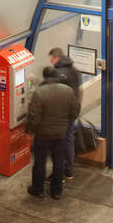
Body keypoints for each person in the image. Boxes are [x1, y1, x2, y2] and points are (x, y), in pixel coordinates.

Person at [25, 66, 79, 199]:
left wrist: (30, 131)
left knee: (40, 162)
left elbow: (34, 116)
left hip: (42, 135)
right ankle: (57, 191)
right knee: (59, 162)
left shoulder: (39, 93)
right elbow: (75, 109)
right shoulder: (68, 91)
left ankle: (38, 189)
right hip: (60, 134)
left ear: (45, 77)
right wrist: (66, 123)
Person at [49, 46, 81, 180]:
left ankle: (59, 174)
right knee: (68, 138)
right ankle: (68, 171)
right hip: (74, 108)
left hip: (63, 112)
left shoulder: (59, 72)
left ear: (56, 58)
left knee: (59, 142)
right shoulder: (74, 70)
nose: (51, 62)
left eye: (51, 59)